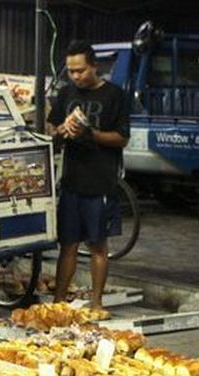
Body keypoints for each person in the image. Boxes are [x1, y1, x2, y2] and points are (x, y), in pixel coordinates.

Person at [48, 40, 130, 310]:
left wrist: (90, 134)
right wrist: (62, 131)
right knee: (68, 246)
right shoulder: (65, 94)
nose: (75, 76)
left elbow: (121, 138)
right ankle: (59, 301)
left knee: (98, 246)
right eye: (71, 71)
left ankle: (96, 304)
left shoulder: (114, 95)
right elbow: (51, 132)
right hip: (71, 182)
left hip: (101, 183)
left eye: (80, 70)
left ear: (94, 66)